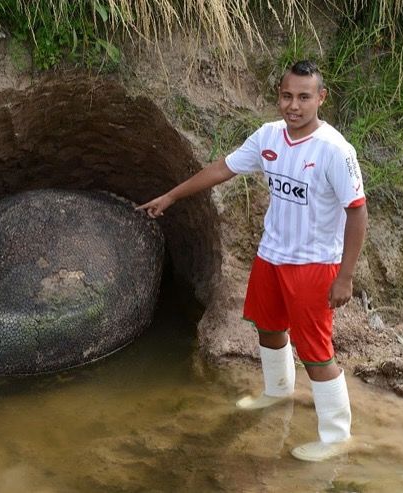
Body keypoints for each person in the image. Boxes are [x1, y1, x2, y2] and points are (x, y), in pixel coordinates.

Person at [136, 60, 368, 462]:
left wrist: (344, 277)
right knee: (268, 329)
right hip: (271, 256)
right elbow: (222, 169)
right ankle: (277, 393)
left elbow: (357, 211)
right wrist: (171, 196)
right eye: (286, 96)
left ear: (320, 98)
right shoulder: (268, 137)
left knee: (316, 352)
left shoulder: (335, 150)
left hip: (314, 266)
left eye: (303, 97)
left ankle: (336, 437)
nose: (293, 106)